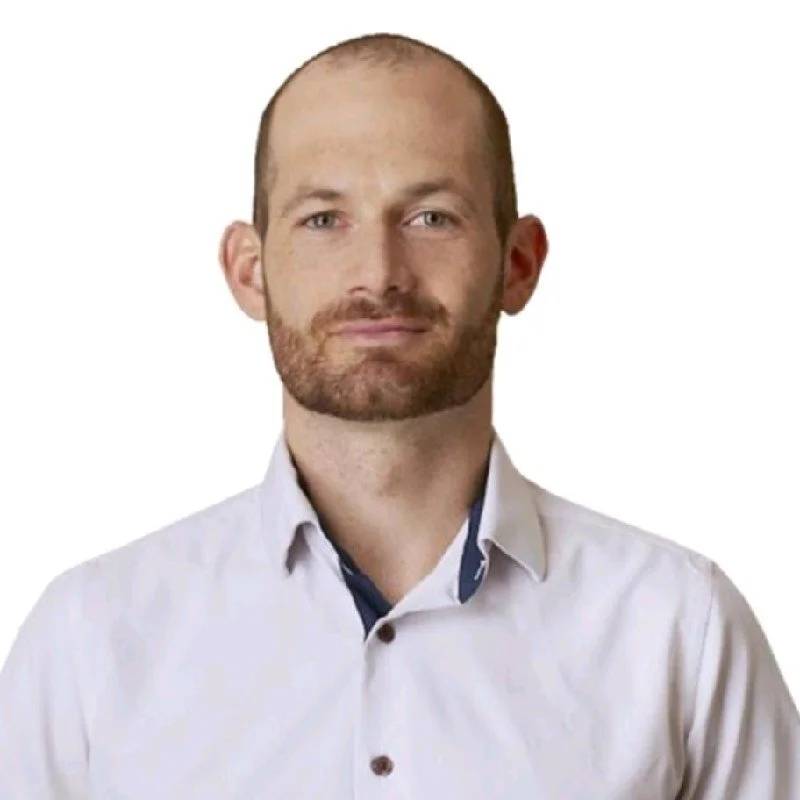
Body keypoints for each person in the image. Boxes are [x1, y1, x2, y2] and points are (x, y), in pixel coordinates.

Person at [1, 31, 798, 799]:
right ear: (249, 271)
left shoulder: (678, 629)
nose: (378, 273)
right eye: (323, 219)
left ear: (518, 264)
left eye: (431, 217)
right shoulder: (91, 639)